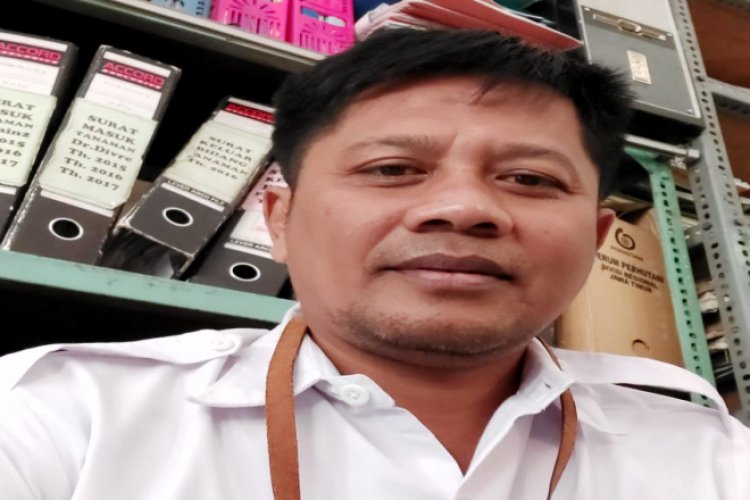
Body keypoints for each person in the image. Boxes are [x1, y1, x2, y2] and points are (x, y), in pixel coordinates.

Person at [0, 28, 748, 500]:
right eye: (392, 169)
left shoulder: (710, 458)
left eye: (529, 178)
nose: (463, 208)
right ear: (279, 220)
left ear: (597, 237)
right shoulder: (58, 417)